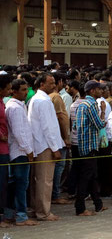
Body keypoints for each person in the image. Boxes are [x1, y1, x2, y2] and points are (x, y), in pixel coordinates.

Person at [28, 73, 64, 221]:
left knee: (39, 180)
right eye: (51, 83)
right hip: (45, 146)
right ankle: (43, 212)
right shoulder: (42, 101)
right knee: (45, 180)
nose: (54, 85)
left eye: (54, 82)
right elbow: (47, 127)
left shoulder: (39, 99)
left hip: (41, 144)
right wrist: (55, 148)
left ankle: (38, 208)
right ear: (42, 84)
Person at [5, 79, 38, 226]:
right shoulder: (15, 108)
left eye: (27, 90)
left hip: (19, 151)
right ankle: (20, 216)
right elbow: (19, 133)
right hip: (19, 152)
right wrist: (29, 151)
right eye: (23, 90)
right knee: (20, 184)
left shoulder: (19, 106)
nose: (26, 93)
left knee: (15, 184)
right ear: (14, 91)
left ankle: (11, 213)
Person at [74, 80, 107, 216]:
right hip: (89, 145)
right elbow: (99, 125)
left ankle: (98, 203)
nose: (101, 91)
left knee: (92, 175)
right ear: (92, 91)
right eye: (99, 89)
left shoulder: (81, 104)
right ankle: (80, 208)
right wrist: (103, 113)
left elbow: (76, 126)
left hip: (82, 144)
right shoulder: (92, 104)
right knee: (86, 177)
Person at [49, 72, 71, 204]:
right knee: (59, 167)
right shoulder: (56, 97)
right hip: (59, 137)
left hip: (55, 136)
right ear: (60, 82)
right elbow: (62, 117)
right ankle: (56, 194)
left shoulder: (49, 96)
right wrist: (66, 137)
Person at [0, 75, 12, 228]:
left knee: (3, 183)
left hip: (4, 149)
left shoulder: (2, 102)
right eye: (8, 88)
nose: (10, 90)